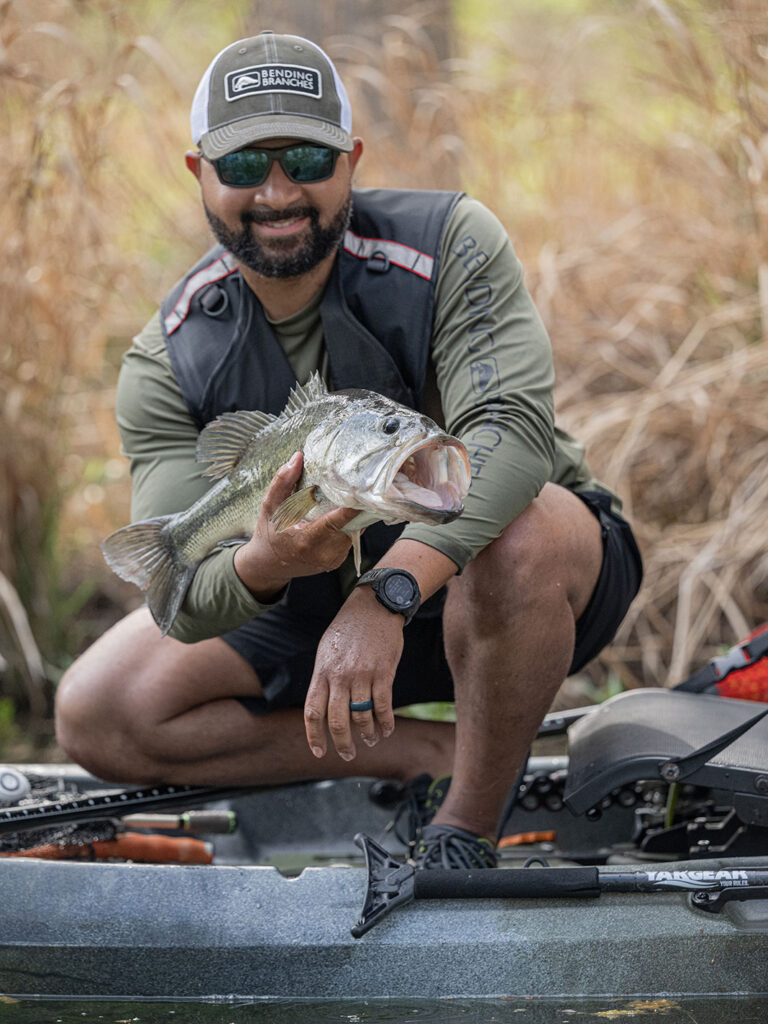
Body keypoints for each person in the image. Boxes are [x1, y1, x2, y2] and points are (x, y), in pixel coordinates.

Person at [55, 30, 643, 869]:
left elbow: (513, 434)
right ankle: (424, 754)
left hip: (509, 582)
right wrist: (262, 562)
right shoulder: (167, 358)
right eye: (246, 167)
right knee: (97, 707)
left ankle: (464, 830)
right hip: (304, 600)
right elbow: (179, 600)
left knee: (522, 536)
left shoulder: (450, 242)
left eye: (305, 157)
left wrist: (384, 595)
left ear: (352, 159)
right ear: (199, 175)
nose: (278, 191)